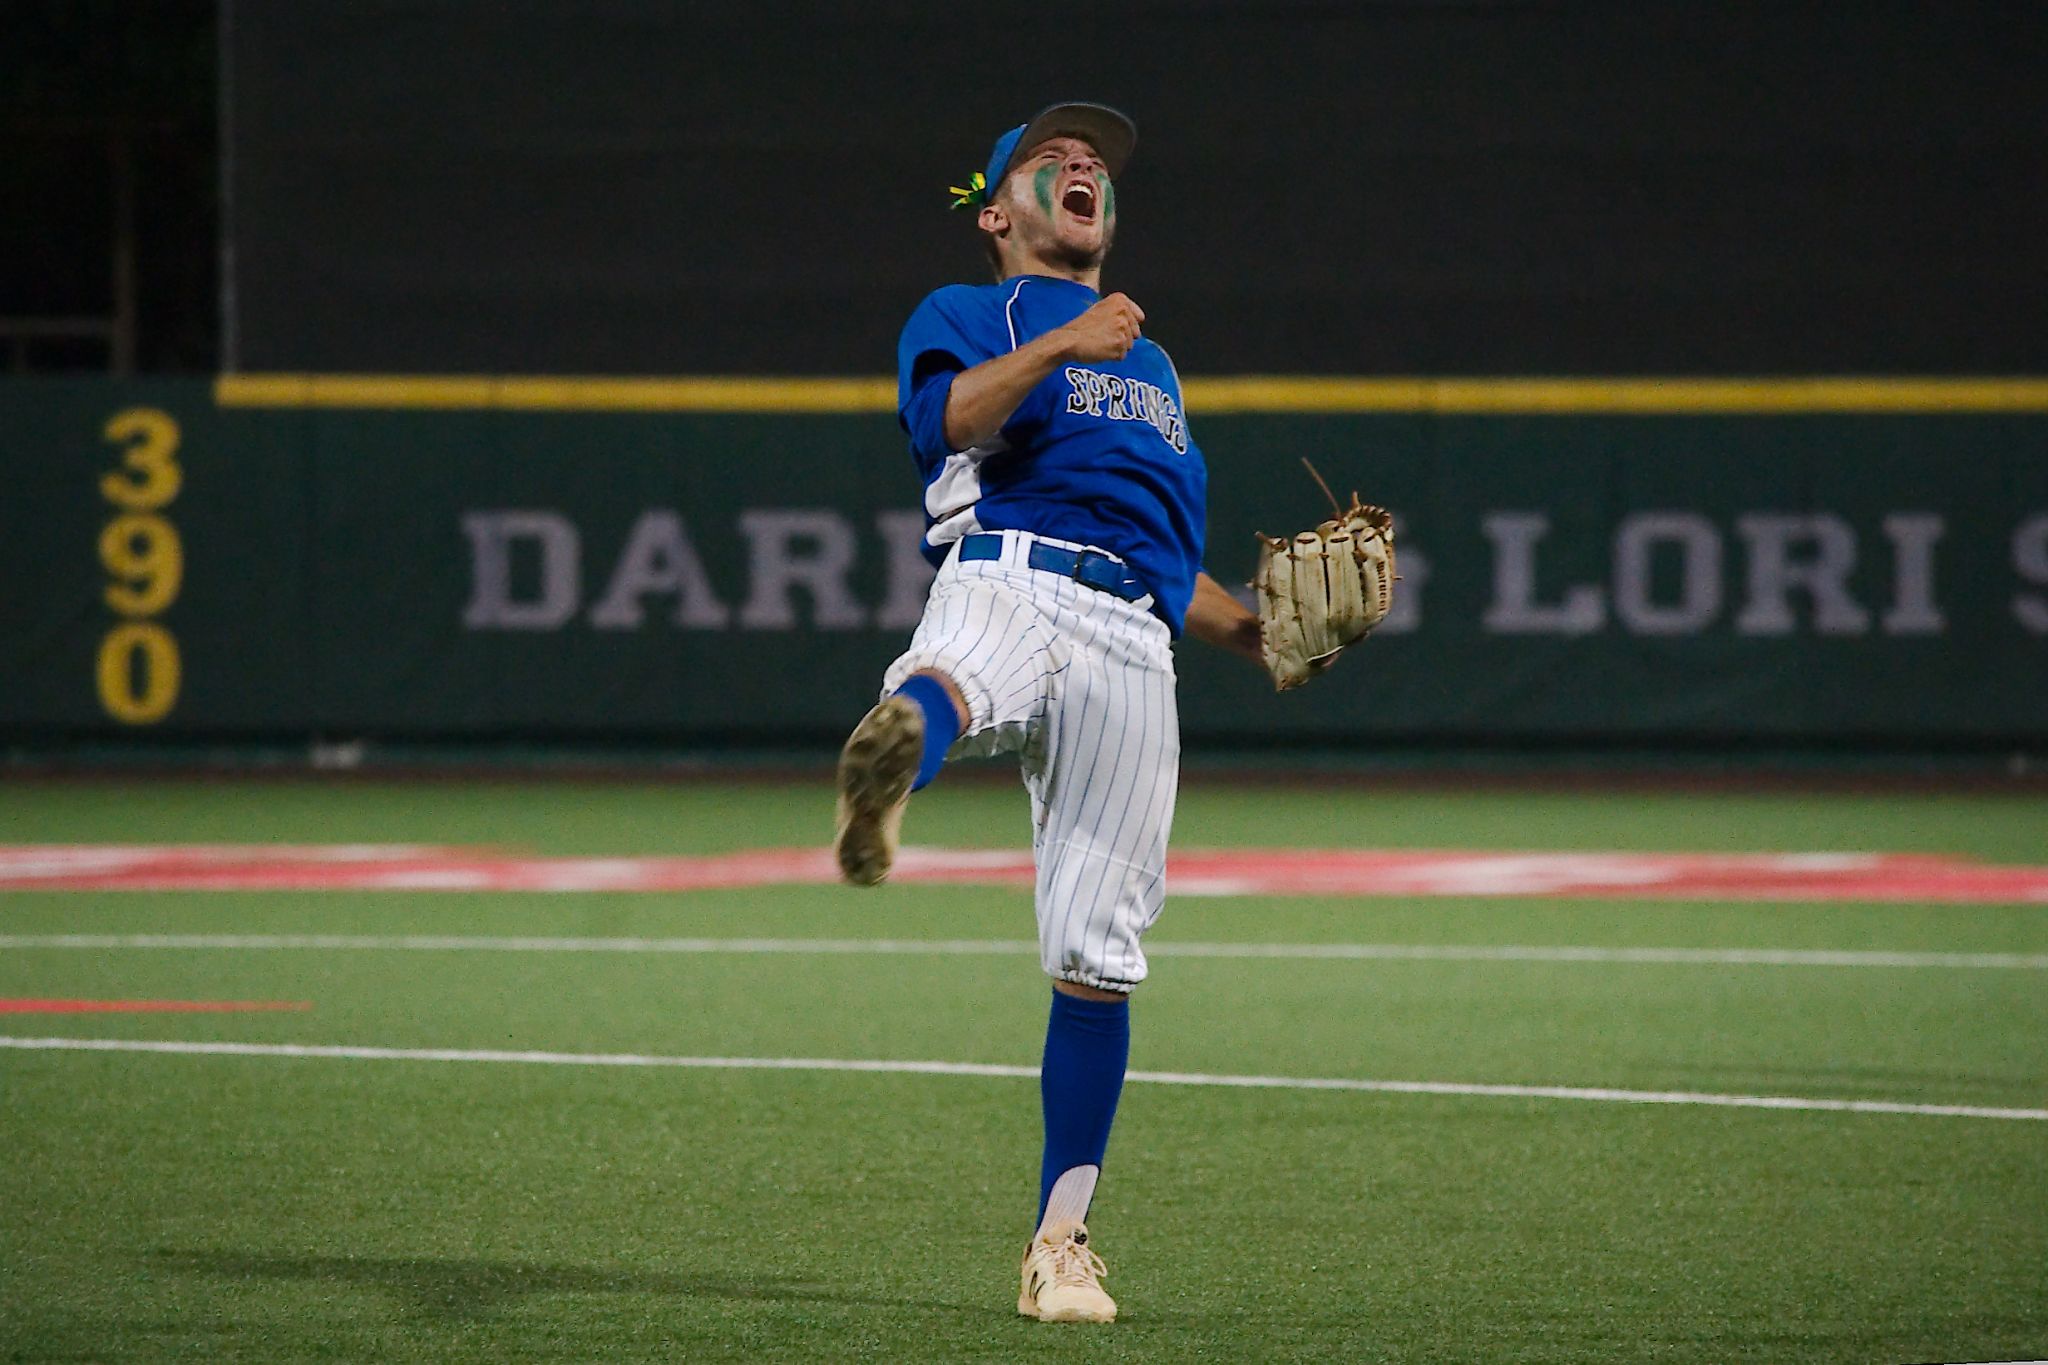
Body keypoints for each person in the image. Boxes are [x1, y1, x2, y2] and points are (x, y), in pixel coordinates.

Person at [832, 101, 1265, 1324]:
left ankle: (1059, 1248)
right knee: (956, 675)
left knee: (1097, 956)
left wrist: (1255, 630)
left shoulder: (1154, 365)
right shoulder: (970, 313)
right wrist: (1067, 343)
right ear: (996, 211)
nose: (1084, 170)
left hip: (1134, 632)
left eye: (1098, 168)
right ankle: (895, 754)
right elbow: (950, 423)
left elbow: (1164, 558)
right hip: (1010, 567)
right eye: (1051, 161)